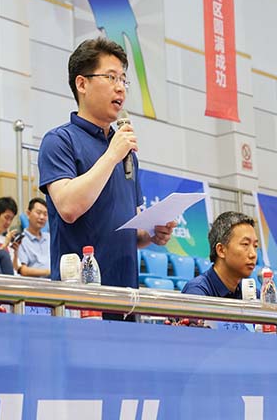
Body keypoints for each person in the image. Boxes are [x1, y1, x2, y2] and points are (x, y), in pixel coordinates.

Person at [38, 37, 175, 295]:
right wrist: (111, 155)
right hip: (80, 296)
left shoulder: (125, 150)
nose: (120, 88)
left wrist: (152, 234)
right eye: (111, 77)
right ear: (82, 84)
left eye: (123, 80)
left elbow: (130, 231)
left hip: (127, 293)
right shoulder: (60, 141)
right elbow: (68, 207)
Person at [181, 212, 258, 299]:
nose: (253, 254)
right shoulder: (196, 292)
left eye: (255, 246)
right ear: (221, 250)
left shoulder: (251, 293)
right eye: (245, 244)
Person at [16, 198, 51, 278]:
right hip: (35, 282)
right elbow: (23, 270)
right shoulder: (21, 240)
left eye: (45, 214)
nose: (42, 217)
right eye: (38, 213)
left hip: (55, 281)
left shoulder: (49, 238)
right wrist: (49, 272)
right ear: (28, 214)